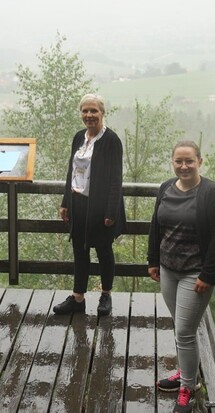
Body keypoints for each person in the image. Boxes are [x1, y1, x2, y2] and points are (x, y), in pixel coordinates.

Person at [147, 140, 215, 413]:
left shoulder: (213, 194)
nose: (183, 166)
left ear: (200, 161)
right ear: (172, 162)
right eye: (178, 161)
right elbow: (156, 226)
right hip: (169, 269)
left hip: (195, 274)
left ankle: (188, 388)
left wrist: (209, 274)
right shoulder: (166, 188)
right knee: (182, 328)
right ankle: (186, 370)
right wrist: (153, 260)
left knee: (184, 330)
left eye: (189, 161)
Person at [53, 93, 126, 317]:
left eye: (94, 111)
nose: (89, 115)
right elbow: (71, 171)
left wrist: (111, 211)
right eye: (85, 111)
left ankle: (106, 295)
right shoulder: (78, 137)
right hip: (78, 204)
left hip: (102, 206)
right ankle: (78, 298)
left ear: (102, 113)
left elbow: (116, 179)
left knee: (104, 251)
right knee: (80, 251)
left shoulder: (111, 140)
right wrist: (66, 201)